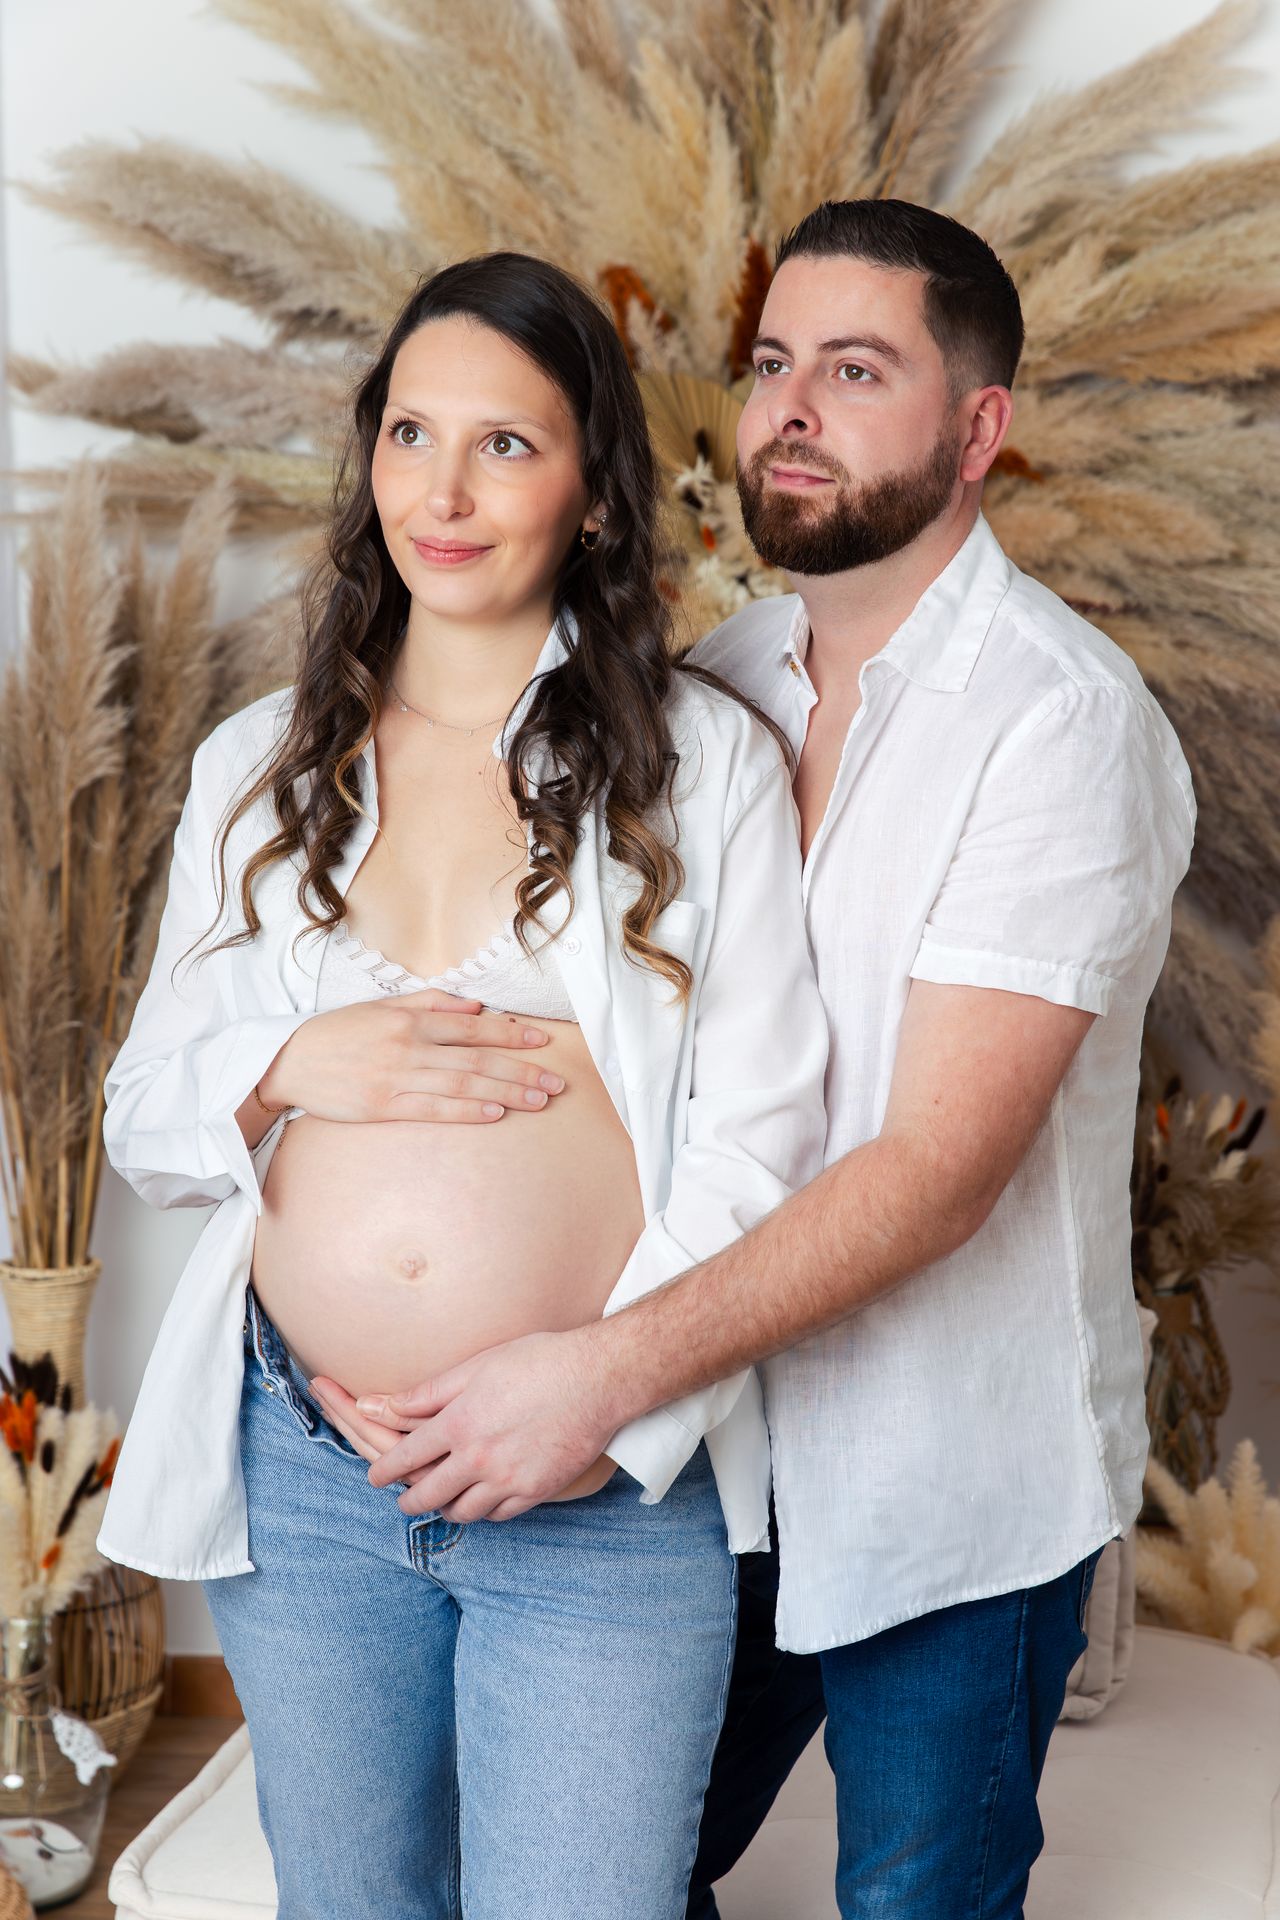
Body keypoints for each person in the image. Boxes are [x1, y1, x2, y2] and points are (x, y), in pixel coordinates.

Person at [333, 202, 1197, 1919]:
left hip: (943, 1475)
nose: (791, 408)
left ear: (978, 428)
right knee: (608, 1871)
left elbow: (935, 1173)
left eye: (857, 370)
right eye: (773, 364)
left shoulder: (1060, 722)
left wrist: (588, 1375)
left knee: (911, 1902)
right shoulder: (712, 694)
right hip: (710, 1459)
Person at [96, 250, 830, 1920]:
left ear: (589, 491)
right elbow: (149, 1119)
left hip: (598, 1494)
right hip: (313, 1472)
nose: (446, 487)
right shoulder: (259, 767)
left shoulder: (694, 761)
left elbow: (767, 1133)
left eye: (507, 444)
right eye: (412, 433)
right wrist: (288, 1061)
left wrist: (588, 1394)